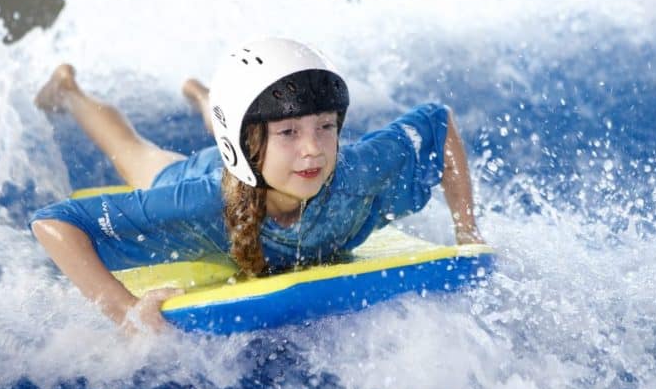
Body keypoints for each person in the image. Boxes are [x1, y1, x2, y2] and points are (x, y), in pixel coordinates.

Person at [30, 38, 482, 332]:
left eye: (325, 126)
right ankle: (68, 89)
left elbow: (437, 124)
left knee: (263, 135)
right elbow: (54, 224)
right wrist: (125, 311)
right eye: (290, 132)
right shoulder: (198, 201)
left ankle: (208, 100)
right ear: (243, 142)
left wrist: (468, 230)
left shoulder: (354, 168)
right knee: (131, 151)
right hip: (205, 172)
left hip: (249, 152)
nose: (314, 151)